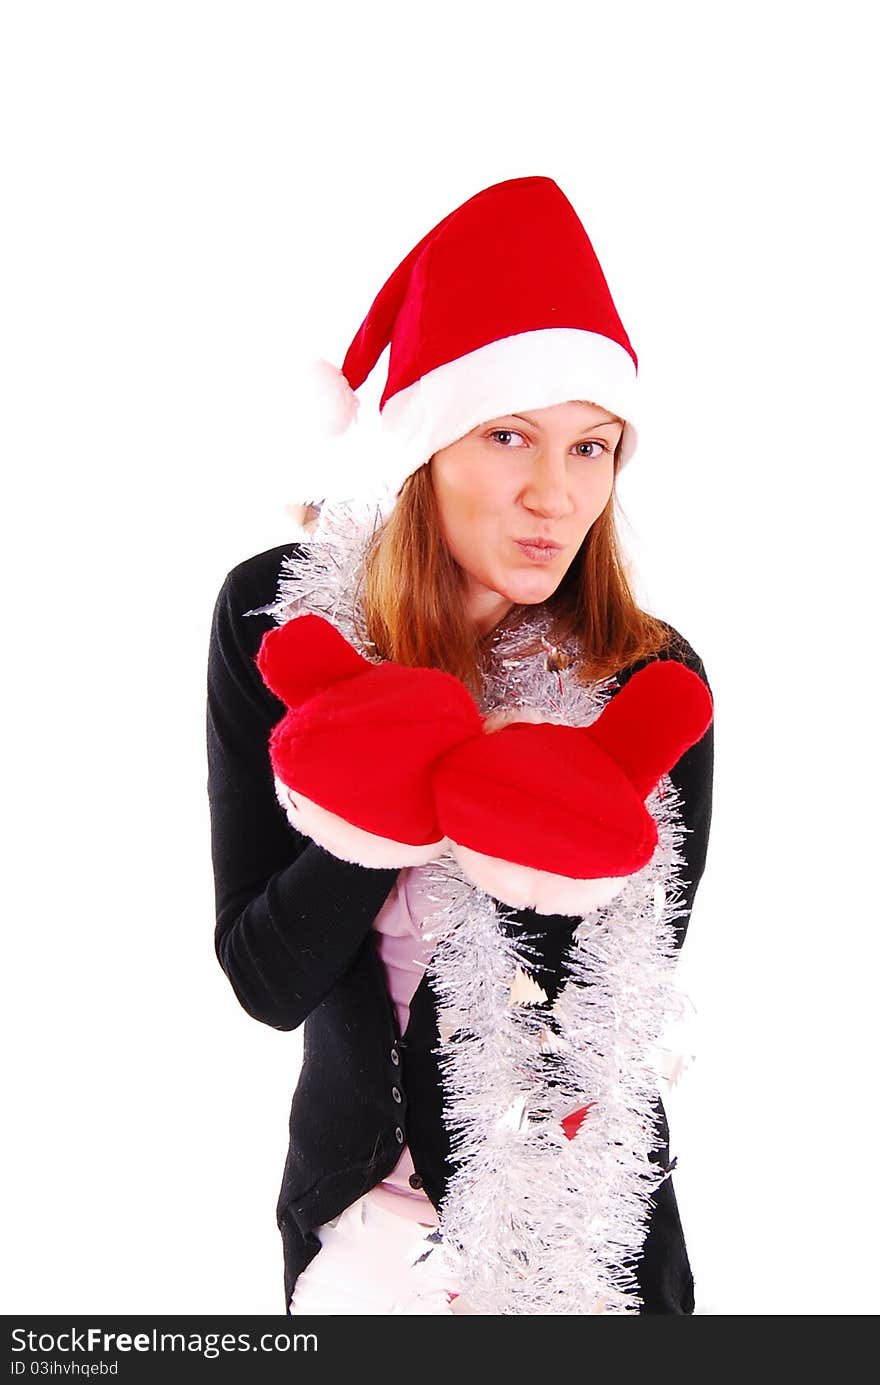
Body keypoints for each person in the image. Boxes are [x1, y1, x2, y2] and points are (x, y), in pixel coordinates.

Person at [206, 175, 714, 1315]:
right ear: (425, 443)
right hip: (359, 1228)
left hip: (581, 1238)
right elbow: (263, 976)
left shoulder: (646, 680)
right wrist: (375, 804)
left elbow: (607, 1002)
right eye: (508, 435)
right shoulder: (279, 626)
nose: (555, 493)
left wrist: (521, 802)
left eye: (593, 448)